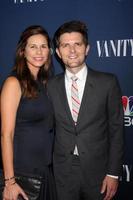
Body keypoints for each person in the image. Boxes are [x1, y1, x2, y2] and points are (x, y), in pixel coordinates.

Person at [47, 20, 124, 200]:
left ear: (87, 48)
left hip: (98, 170)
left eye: (77, 44)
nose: (72, 51)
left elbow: (116, 130)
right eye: (66, 45)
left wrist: (113, 173)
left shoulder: (108, 82)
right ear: (58, 52)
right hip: (63, 172)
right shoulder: (50, 86)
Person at [0, 25, 56, 200]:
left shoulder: (45, 83)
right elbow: (6, 135)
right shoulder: (13, 82)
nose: (39, 51)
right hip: (22, 174)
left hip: (45, 170)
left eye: (43, 46)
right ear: (23, 51)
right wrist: (10, 182)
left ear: (49, 51)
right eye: (33, 46)